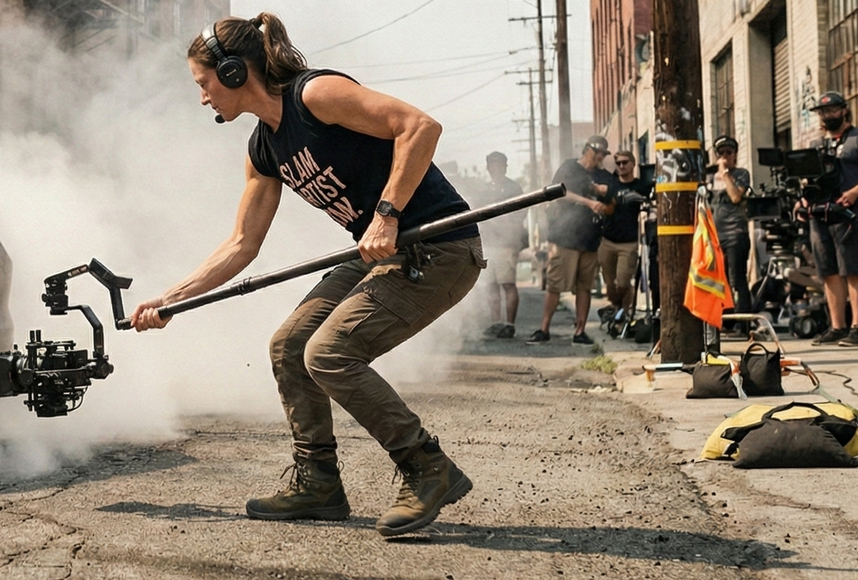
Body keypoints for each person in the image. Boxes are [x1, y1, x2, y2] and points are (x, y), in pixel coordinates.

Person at [132, 13, 483, 536]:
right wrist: (170, 299)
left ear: (232, 73)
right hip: (382, 255)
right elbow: (241, 244)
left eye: (203, 84)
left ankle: (427, 467)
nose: (202, 97)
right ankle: (318, 481)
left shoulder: (315, 94)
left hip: (439, 247)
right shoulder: (263, 148)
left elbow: (419, 126)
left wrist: (387, 215)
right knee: (289, 346)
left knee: (330, 354)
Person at [802, 91, 858, 347]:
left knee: (853, 270)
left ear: (844, 110)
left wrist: (855, 191)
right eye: (822, 112)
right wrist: (804, 197)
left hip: (851, 214)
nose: (827, 116)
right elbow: (808, 178)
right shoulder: (818, 145)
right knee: (828, 272)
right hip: (821, 214)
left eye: (831, 110)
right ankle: (837, 326)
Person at [529, 136, 614, 345]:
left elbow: (612, 203)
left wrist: (606, 200)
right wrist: (588, 201)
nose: (600, 157)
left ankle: (580, 331)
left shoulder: (603, 175)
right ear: (587, 150)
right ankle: (544, 328)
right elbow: (558, 192)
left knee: (585, 287)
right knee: (555, 285)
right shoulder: (570, 167)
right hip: (564, 236)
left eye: (604, 154)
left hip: (590, 238)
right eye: (598, 152)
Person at [474, 151, 527, 338]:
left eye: (499, 164)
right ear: (488, 167)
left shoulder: (514, 188)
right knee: (491, 285)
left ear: (505, 166)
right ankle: (496, 322)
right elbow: (477, 214)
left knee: (508, 283)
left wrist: (504, 225)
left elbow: (520, 214)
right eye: (492, 164)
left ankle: (509, 324)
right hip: (488, 243)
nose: (496, 168)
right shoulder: (484, 190)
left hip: (506, 243)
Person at [707, 136, 757, 320]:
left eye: (729, 152)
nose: (725, 156)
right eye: (721, 153)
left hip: (735, 233)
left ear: (735, 154)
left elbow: (736, 197)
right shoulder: (710, 178)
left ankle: (742, 321)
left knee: (737, 278)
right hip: (716, 235)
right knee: (721, 280)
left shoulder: (741, 174)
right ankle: (725, 318)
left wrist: (725, 173)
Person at [598, 150, 649, 320]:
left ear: (633, 163)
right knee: (610, 285)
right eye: (618, 163)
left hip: (629, 242)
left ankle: (621, 312)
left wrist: (645, 204)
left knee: (623, 283)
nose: (621, 166)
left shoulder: (641, 186)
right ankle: (620, 313)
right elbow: (601, 207)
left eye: (625, 162)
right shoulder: (610, 185)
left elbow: (653, 203)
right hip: (607, 240)